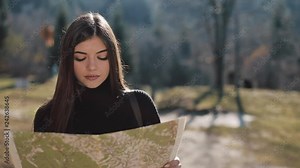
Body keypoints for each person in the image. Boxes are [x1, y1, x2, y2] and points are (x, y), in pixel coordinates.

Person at [33, 12, 181, 168]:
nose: (91, 66)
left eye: (101, 56)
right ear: (68, 61)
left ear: (112, 58)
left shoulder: (139, 105)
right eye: (81, 57)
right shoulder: (47, 116)